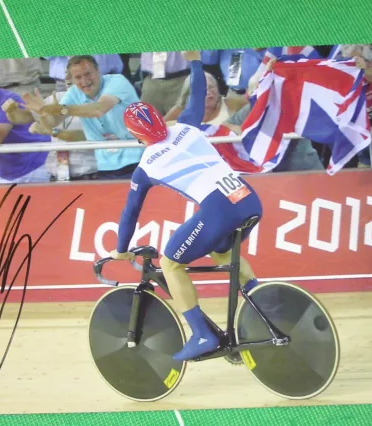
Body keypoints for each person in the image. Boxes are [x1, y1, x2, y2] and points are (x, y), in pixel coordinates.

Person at [108, 51, 263, 362]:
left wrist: (121, 249)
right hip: (248, 199)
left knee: (170, 263)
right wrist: (194, 61)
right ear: (161, 116)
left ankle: (202, 334)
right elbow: (197, 92)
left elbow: (130, 213)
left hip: (220, 210)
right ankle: (268, 303)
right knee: (223, 253)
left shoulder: (146, 167)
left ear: (135, 136)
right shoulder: (188, 125)